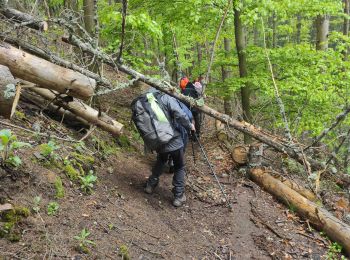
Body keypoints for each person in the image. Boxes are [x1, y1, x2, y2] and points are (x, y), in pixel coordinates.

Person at [144, 88, 195, 207]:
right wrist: (190, 126)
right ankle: (178, 196)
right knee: (179, 165)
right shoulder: (167, 99)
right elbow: (181, 115)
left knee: (161, 160)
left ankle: (150, 185)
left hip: (158, 140)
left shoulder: (149, 101)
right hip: (172, 139)